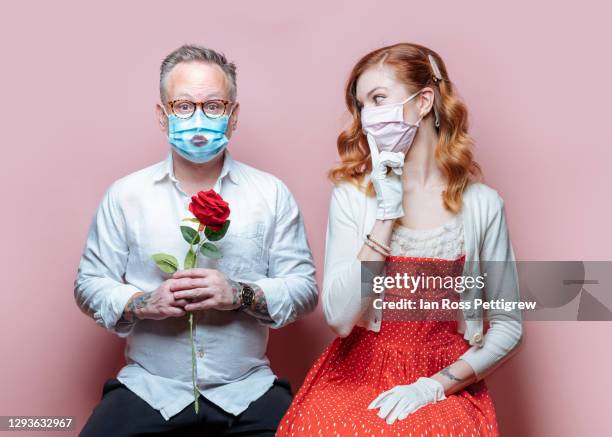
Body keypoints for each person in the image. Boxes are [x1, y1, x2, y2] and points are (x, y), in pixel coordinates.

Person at [277, 43, 523, 436]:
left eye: (378, 98)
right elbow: (339, 319)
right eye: (361, 105)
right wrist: (386, 215)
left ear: (424, 101)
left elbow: (509, 325)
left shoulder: (483, 205)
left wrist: (435, 386)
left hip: (444, 378)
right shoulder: (353, 198)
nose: (368, 115)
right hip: (358, 370)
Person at [74, 44, 318, 437]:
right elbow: (88, 285)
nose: (199, 118)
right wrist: (142, 303)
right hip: (150, 387)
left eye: (214, 106)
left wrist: (240, 294)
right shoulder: (126, 194)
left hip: (246, 389)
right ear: (163, 115)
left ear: (233, 116)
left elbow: (304, 289)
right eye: (184, 106)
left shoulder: (271, 194)